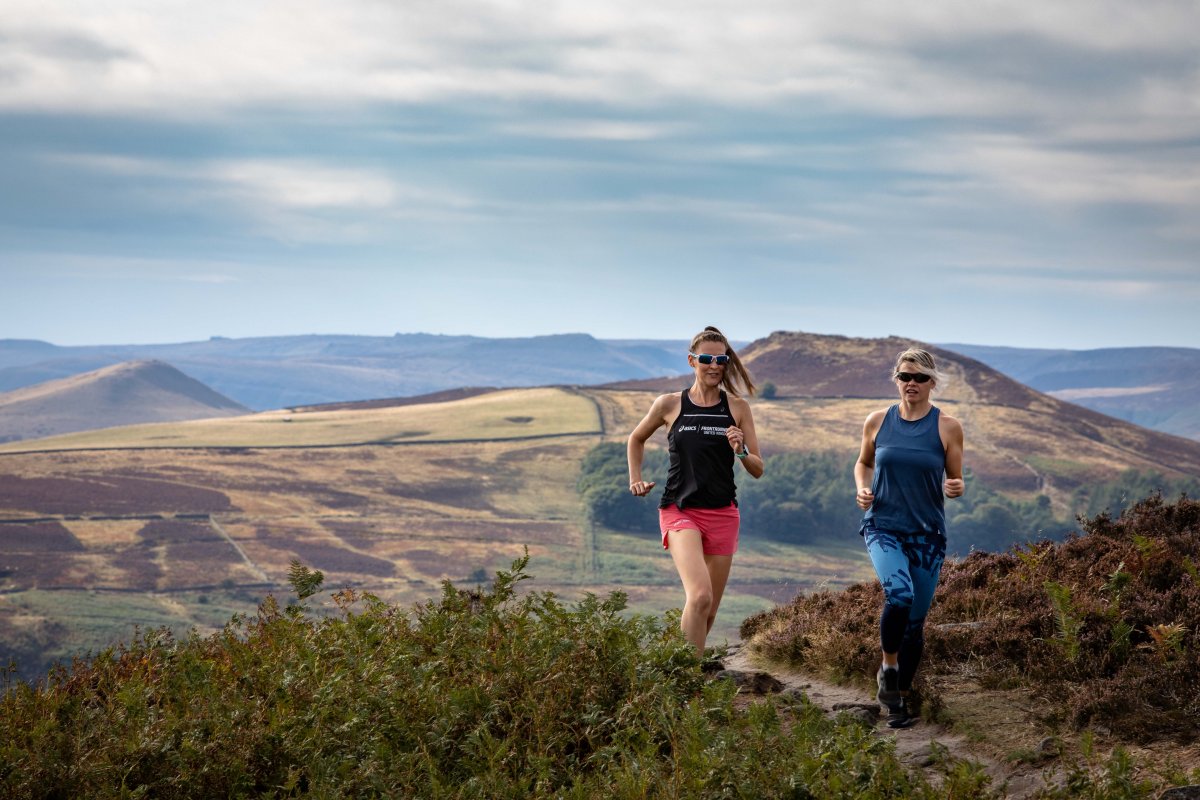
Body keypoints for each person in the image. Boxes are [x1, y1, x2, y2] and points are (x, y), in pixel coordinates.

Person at [627, 326, 764, 658]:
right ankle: (687, 680)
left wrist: (741, 450)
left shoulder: (738, 408)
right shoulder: (670, 404)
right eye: (707, 359)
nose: (714, 365)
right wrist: (636, 478)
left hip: (722, 514)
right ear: (692, 361)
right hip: (679, 509)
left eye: (721, 359)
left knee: (710, 610)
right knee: (700, 596)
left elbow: (757, 468)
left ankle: (678, 664)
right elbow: (636, 439)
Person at [854, 347, 964, 728]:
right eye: (905, 377)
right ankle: (888, 668)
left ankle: (898, 700)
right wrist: (862, 489)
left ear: (932, 383)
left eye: (919, 378)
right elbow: (864, 462)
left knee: (916, 623)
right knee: (899, 595)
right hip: (883, 525)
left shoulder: (947, 427)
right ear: (896, 380)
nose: (911, 384)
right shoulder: (877, 420)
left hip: (927, 533)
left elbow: (955, 478)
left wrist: (955, 487)